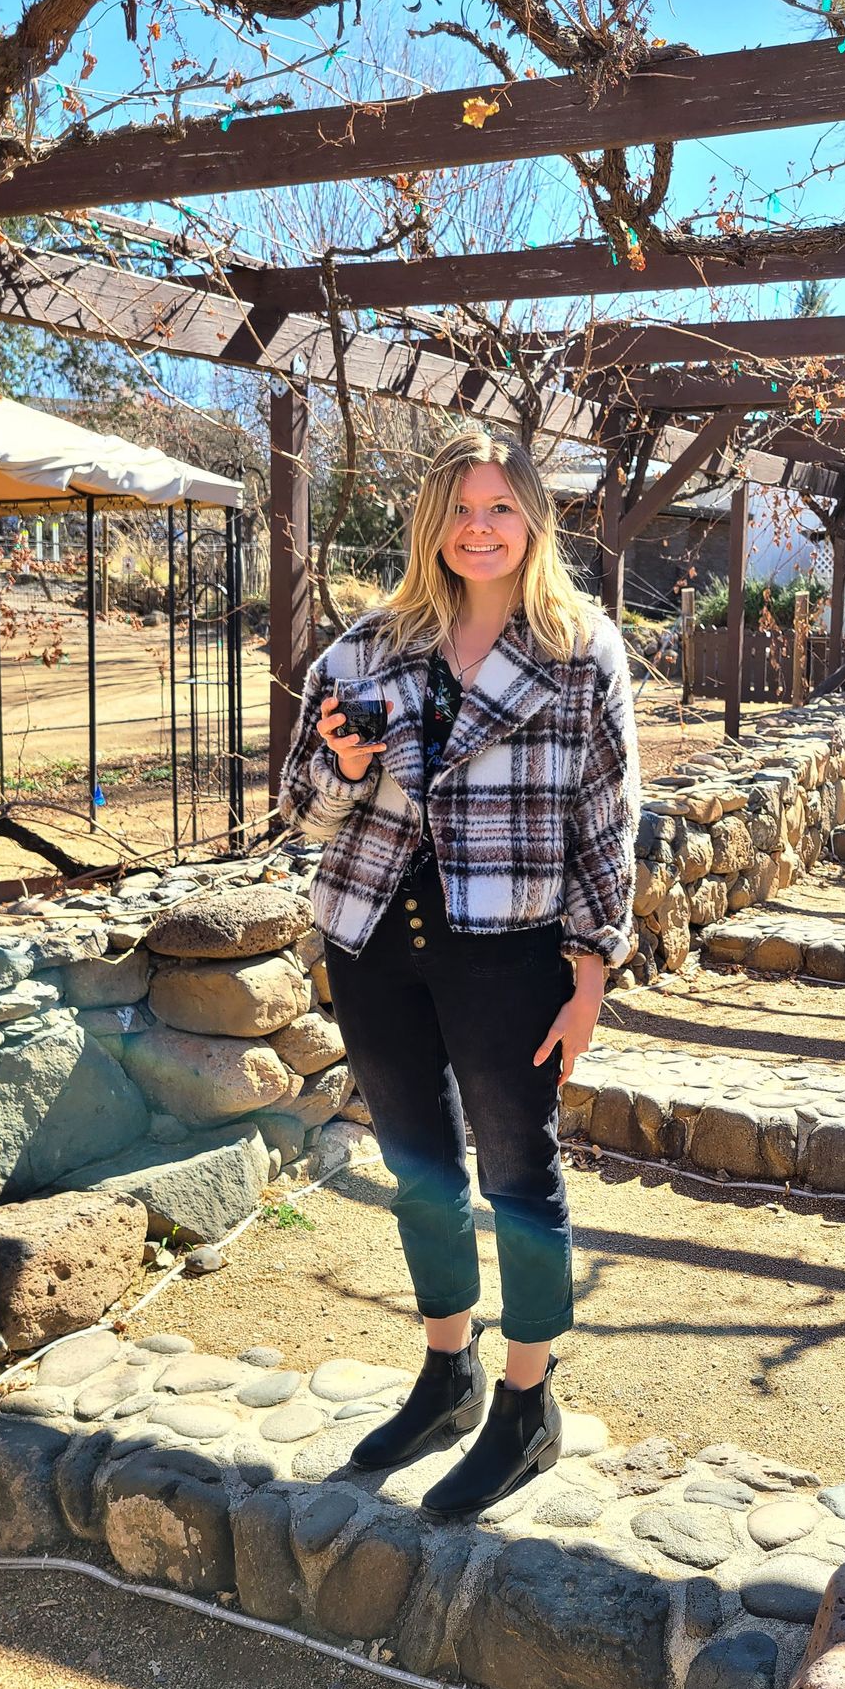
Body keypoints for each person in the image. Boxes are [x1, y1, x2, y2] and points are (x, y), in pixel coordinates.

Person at [278, 425, 639, 1519]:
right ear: (430, 525)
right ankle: (447, 1372)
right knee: (419, 1166)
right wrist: (345, 769)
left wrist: (592, 972)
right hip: (376, 940)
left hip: (513, 948)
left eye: (500, 508)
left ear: (532, 518)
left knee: (519, 1176)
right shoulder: (363, 648)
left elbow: (608, 817)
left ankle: (527, 1406)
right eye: (459, 510)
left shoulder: (581, 649)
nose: (479, 530)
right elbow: (300, 809)